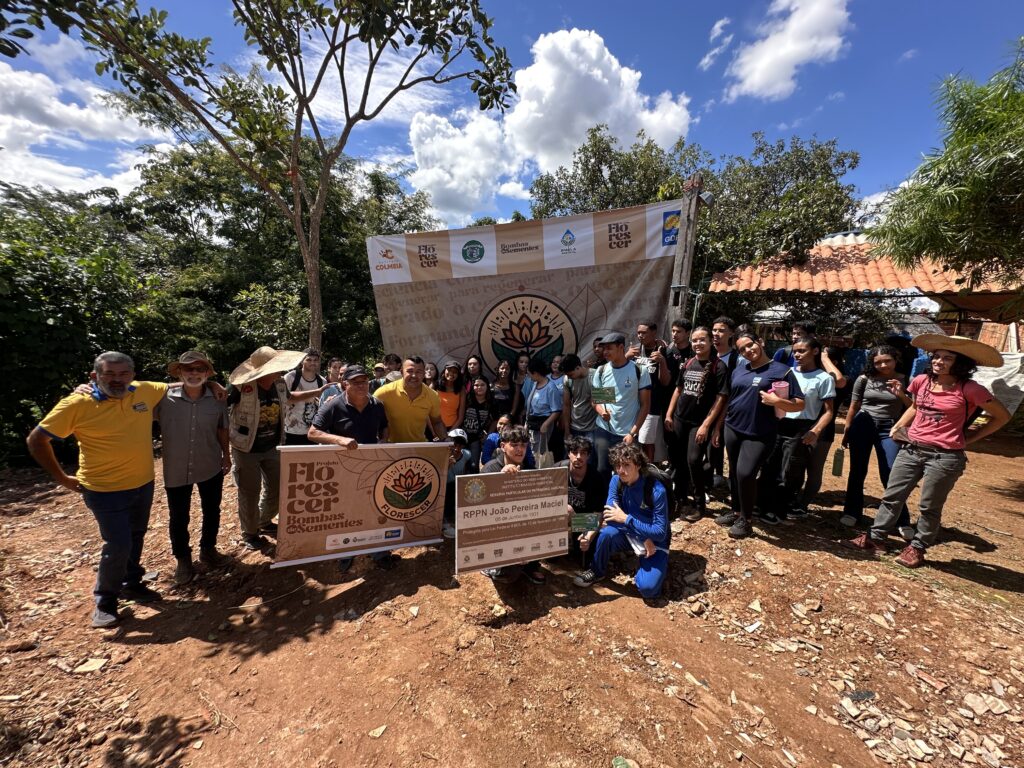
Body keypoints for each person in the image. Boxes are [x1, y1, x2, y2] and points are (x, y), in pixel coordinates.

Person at [27, 352, 169, 628]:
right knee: (118, 544)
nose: (117, 380)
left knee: (136, 535)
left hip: (143, 483)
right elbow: (36, 439)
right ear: (95, 376)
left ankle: (132, 583)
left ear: (132, 375)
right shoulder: (77, 403)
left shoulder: (143, 391)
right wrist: (60, 478)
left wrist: (213, 385)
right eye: (109, 374)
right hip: (104, 489)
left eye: (123, 374)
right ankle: (106, 600)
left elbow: (180, 386)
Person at [844, 335, 1010, 568]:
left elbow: (1002, 416)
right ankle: (875, 538)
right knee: (892, 495)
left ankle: (918, 547)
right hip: (912, 449)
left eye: (947, 358)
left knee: (929, 505)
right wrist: (898, 425)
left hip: (944, 456)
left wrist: (971, 437)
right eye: (937, 356)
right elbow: (914, 406)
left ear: (960, 363)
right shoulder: (922, 381)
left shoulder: (971, 389)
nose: (938, 361)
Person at [308, 365, 398, 572]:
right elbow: (313, 433)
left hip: (371, 466)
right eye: (356, 382)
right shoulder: (333, 405)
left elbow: (384, 425)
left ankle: (380, 552)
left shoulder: (377, 404)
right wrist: (339, 440)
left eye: (364, 381)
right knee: (346, 511)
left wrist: (384, 439)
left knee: (375, 507)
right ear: (345, 385)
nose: (361, 385)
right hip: (342, 468)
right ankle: (345, 552)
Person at [715, 332, 805, 539]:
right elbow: (730, 398)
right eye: (742, 349)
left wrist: (776, 402)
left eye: (750, 345)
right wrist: (720, 425)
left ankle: (746, 520)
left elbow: (800, 403)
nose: (748, 351)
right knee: (735, 473)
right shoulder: (740, 369)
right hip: (733, 427)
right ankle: (737, 511)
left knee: (746, 474)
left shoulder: (782, 371)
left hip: (760, 432)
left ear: (760, 342)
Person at [159, 351, 231, 585]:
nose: (194, 373)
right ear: (180, 372)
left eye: (200, 369)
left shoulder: (217, 397)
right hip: (176, 468)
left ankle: (208, 549)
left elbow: (222, 429)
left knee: (213, 510)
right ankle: (183, 559)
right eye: (188, 369)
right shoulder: (162, 397)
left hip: (210, 463)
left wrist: (226, 455)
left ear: (207, 373)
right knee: (178, 516)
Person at [227, 346, 307, 551]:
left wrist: (319, 391)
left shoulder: (279, 384)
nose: (280, 370)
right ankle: (250, 533)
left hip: (272, 445)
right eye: (275, 367)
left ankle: (263, 521)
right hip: (246, 448)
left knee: (277, 486)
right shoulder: (241, 387)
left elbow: (291, 398)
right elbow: (220, 406)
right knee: (249, 492)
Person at [572, 442, 670, 602]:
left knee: (648, 590)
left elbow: (659, 532)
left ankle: (650, 569)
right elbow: (610, 516)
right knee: (605, 534)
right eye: (617, 465)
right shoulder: (616, 481)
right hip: (639, 536)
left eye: (626, 465)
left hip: (655, 542)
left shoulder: (656, 490)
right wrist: (642, 536)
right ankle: (597, 571)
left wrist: (626, 519)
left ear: (638, 465)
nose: (621, 470)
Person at [760, 337, 835, 521]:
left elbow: (829, 412)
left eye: (802, 351)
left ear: (815, 352)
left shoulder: (823, 378)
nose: (797, 355)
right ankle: (763, 505)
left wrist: (815, 431)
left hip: (801, 428)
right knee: (769, 465)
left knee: (790, 469)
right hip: (779, 424)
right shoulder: (787, 372)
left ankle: (780, 509)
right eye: (795, 351)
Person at [840, 345, 914, 531]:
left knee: (890, 473)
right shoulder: (864, 379)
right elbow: (854, 406)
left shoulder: (905, 379)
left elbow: (913, 407)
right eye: (877, 362)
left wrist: (901, 394)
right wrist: (847, 431)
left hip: (890, 429)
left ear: (896, 359)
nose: (882, 365)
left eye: (887, 360)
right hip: (863, 425)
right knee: (857, 470)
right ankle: (851, 512)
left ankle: (900, 518)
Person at [665, 327, 728, 522]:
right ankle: (680, 498)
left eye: (702, 340)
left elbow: (721, 398)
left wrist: (706, 425)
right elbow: (678, 390)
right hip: (679, 419)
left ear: (710, 342)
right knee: (678, 461)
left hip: (698, 424)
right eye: (694, 340)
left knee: (693, 460)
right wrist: (669, 414)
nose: (698, 344)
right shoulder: (689, 363)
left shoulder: (719, 367)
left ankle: (700, 505)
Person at [481, 425, 547, 585]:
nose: (520, 450)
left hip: (520, 524)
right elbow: (480, 510)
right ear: (503, 446)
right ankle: (491, 566)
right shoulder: (490, 469)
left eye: (523, 445)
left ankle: (530, 565)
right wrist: (499, 479)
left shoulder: (530, 469)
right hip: (497, 531)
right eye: (514, 445)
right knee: (509, 575)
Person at [590, 332, 651, 475]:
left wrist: (632, 433)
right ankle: (606, 498)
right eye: (603, 348)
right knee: (601, 470)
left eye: (609, 348)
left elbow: (645, 405)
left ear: (621, 347)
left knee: (626, 473)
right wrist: (601, 411)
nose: (605, 352)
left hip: (627, 433)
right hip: (603, 430)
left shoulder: (639, 371)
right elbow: (596, 401)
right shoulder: (601, 371)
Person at [374, 356, 448, 443]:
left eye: (419, 372)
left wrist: (446, 440)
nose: (414, 375)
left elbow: (437, 422)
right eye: (410, 371)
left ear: (424, 374)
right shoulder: (384, 393)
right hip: (391, 447)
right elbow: (369, 417)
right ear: (401, 372)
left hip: (418, 446)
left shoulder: (432, 396)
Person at [630, 322, 674, 463]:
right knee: (631, 441)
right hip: (632, 405)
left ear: (654, 333)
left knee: (647, 442)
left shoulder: (664, 351)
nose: (640, 336)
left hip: (651, 405)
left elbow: (666, 382)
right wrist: (626, 356)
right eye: (638, 332)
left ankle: (649, 471)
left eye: (644, 332)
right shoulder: (634, 351)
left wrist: (662, 362)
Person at [556, 436, 607, 558]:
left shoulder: (597, 478)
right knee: (553, 559)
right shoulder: (557, 470)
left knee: (584, 557)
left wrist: (589, 537)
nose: (578, 457)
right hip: (560, 517)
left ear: (588, 456)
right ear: (568, 453)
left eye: (583, 453)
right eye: (574, 452)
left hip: (586, 521)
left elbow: (598, 515)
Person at [282, 348, 328, 445]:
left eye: (315, 360)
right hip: (290, 430)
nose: (312, 363)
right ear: (302, 361)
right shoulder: (291, 377)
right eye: (309, 360)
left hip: (312, 432)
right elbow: (284, 399)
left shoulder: (322, 381)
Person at [522, 356, 562, 467]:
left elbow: (557, 410)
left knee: (541, 454)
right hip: (533, 424)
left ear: (536, 373)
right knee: (532, 451)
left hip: (544, 425)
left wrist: (546, 424)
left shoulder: (551, 388)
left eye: (530, 374)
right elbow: (530, 406)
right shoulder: (535, 384)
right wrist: (526, 423)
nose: (529, 376)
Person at [561, 353, 599, 462]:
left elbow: (606, 401)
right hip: (574, 427)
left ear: (578, 367)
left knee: (590, 461)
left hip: (593, 428)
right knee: (572, 460)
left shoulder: (596, 376)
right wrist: (567, 431)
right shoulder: (567, 379)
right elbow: (566, 405)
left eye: (571, 374)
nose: (569, 377)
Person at [443, 428, 474, 538]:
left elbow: (467, 471)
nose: (457, 447)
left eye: (461, 444)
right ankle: (445, 522)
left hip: (457, 485)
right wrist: (446, 466)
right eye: (455, 443)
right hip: (444, 488)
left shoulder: (466, 455)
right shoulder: (441, 455)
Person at [462, 376, 496, 467]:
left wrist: (488, 434)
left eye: (482, 385)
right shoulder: (467, 399)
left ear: (487, 386)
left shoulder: (491, 402)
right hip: (463, 436)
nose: (479, 387)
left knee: (474, 464)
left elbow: (495, 420)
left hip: (477, 438)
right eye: (476, 385)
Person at [437, 361, 466, 433]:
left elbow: (461, 417)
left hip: (452, 428)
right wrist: (434, 432)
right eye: (449, 370)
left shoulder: (461, 389)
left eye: (455, 372)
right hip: (434, 428)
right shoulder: (435, 386)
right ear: (444, 371)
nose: (451, 373)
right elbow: (427, 412)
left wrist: (450, 432)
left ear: (458, 375)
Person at [510, 351, 531, 423]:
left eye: (526, 362)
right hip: (510, 408)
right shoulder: (511, 374)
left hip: (526, 411)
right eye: (521, 362)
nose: (524, 364)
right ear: (517, 362)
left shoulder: (531, 377)